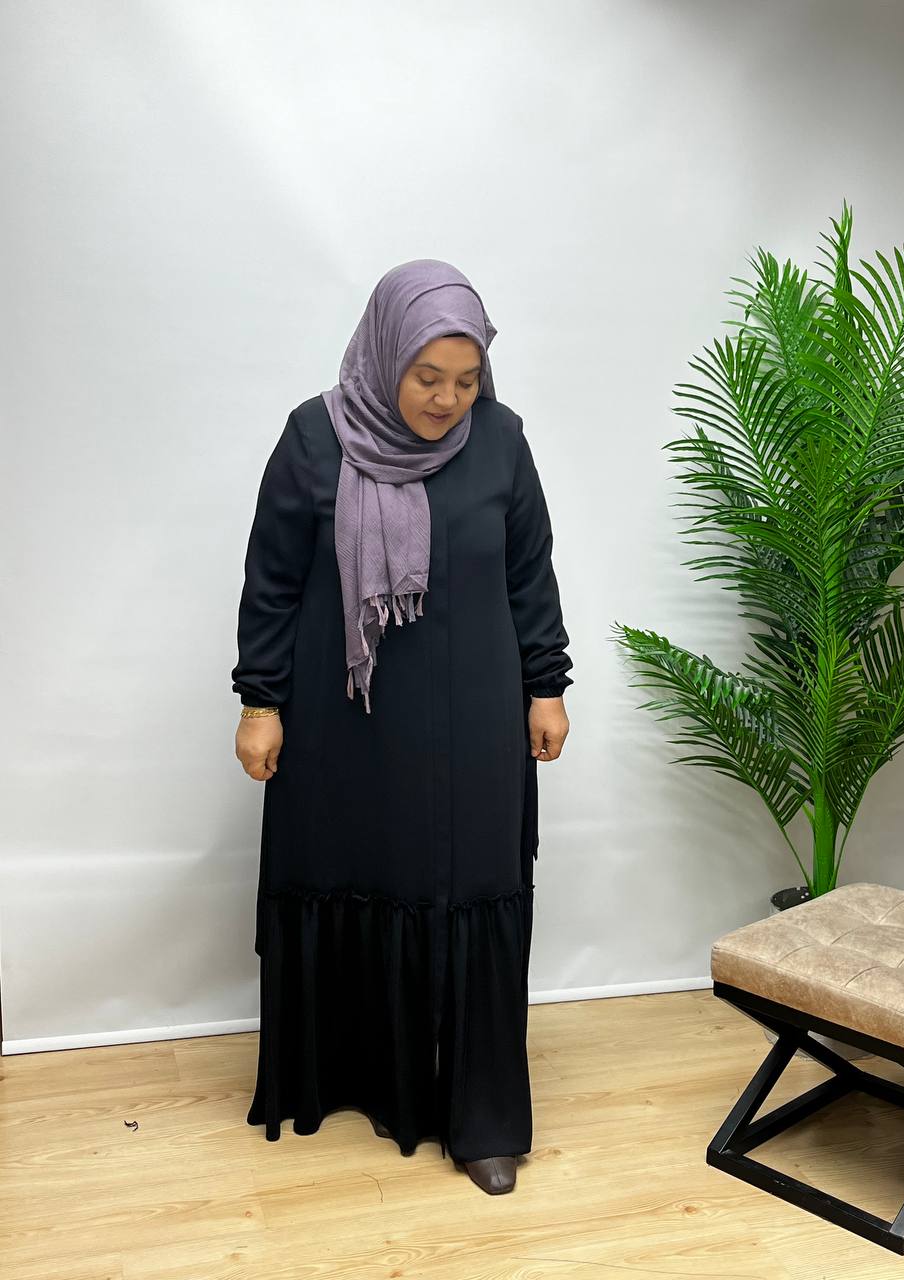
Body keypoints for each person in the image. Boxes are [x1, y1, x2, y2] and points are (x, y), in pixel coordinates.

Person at [230, 258, 573, 1195]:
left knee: (474, 884)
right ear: (386, 355)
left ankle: (482, 1117)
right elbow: (272, 581)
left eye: (465, 379)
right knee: (357, 873)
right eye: (427, 377)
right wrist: (260, 702)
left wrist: (547, 685)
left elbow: (531, 571)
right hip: (344, 717)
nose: (446, 399)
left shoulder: (501, 441)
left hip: (474, 719)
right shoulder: (314, 437)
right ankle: (358, 1077)